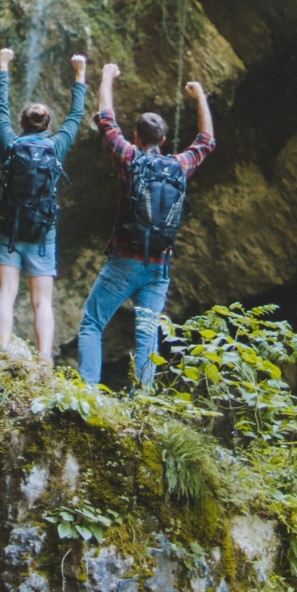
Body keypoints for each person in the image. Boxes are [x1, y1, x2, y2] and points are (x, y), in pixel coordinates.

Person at [78, 62, 215, 386]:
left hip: (124, 259)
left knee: (92, 324)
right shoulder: (179, 166)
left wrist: (107, 77)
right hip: (159, 267)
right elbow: (207, 140)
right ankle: (143, 405)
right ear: (164, 139)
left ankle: (86, 393)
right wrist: (200, 97)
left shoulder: (129, 158)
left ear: (137, 136)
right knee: (147, 335)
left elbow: (106, 121)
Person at [0, 47, 87, 362]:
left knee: (6, 293)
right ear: (48, 126)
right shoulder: (56, 146)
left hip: (9, 228)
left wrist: (2, 66)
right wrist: (79, 74)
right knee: (41, 302)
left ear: (21, 124)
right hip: (43, 233)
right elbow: (76, 116)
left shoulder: (10, 144)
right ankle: (45, 359)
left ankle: (2, 352)